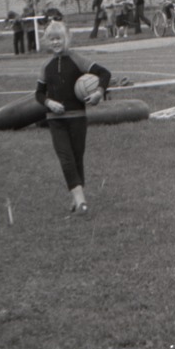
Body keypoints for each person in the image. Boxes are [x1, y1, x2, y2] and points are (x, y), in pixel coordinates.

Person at [35, 21, 111, 215]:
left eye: (59, 38)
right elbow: (39, 94)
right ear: (47, 42)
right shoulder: (46, 66)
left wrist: (98, 93)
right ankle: (81, 202)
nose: (55, 42)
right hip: (55, 120)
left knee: (77, 158)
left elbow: (105, 73)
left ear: (66, 39)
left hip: (77, 117)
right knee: (65, 158)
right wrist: (49, 103)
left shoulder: (77, 59)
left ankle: (76, 198)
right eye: (52, 39)